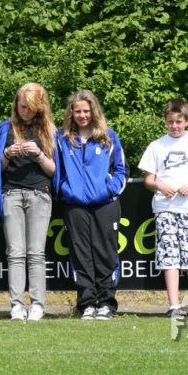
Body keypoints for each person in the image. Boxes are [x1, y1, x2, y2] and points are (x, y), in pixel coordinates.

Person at [0, 83, 58, 321]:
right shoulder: (4, 129)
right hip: (11, 193)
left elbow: (55, 171)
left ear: (39, 107)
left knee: (36, 253)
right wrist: (7, 154)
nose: (25, 111)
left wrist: (38, 154)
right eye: (22, 106)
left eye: (30, 107)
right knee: (15, 253)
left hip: (40, 194)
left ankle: (37, 305)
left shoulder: (50, 131)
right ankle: (16, 305)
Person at [137, 98, 188, 318]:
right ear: (166, 121)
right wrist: (160, 186)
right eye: (171, 122)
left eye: (179, 122)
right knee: (169, 256)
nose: (174, 126)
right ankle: (173, 305)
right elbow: (148, 180)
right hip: (164, 208)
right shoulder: (156, 146)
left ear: (187, 121)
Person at [54, 89, 127, 320]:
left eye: (86, 111)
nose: (82, 115)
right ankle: (86, 304)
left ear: (93, 111)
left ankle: (106, 303)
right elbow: (56, 170)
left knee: (106, 253)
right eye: (78, 111)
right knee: (81, 255)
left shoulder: (108, 136)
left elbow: (121, 170)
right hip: (74, 205)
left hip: (105, 204)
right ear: (71, 113)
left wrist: (109, 190)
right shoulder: (61, 138)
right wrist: (66, 190)